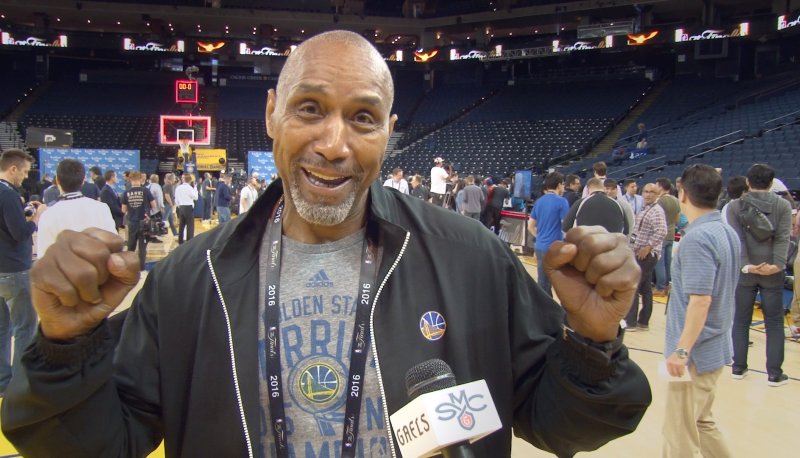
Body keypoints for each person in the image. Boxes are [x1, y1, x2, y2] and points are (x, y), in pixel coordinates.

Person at [1, 31, 650, 457]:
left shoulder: (471, 260)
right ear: (271, 115)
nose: (335, 143)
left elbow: (567, 420)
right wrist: (62, 352)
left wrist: (592, 342)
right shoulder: (189, 281)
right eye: (310, 108)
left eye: (362, 117)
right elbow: (95, 443)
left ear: (390, 134)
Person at [662, 164, 739, 458]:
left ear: (683, 194)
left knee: (678, 435)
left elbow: (700, 300)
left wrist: (681, 351)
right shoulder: (726, 231)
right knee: (702, 423)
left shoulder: (697, 239)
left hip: (694, 354)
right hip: (715, 347)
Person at [726, 164, 792, 386]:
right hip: (772, 271)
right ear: (771, 183)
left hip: (745, 271)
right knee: (774, 322)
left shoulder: (735, 206)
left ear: (748, 181)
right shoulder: (782, 205)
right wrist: (777, 264)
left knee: (741, 320)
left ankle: (738, 367)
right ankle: (774, 373)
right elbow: (784, 237)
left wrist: (747, 265)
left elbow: (738, 239)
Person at [0, 149, 45, 397]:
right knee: (24, 327)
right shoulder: (7, 194)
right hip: (14, 269)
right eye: (24, 172)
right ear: (13, 168)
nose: (25, 177)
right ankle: (20, 384)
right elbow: (19, 233)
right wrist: (35, 217)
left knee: (2, 329)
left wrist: (24, 212)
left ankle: (3, 382)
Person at [36, 159, 117, 258]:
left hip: (63, 271)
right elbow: (113, 246)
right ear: (83, 180)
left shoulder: (48, 215)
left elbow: (44, 258)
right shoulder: (101, 209)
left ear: (57, 180)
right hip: (97, 270)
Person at [625, 183, 667, 332]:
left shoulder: (656, 210)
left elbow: (662, 231)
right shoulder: (646, 209)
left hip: (646, 255)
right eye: (646, 191)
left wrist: (648, 247)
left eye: (652, 192)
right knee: (645, 287)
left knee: (633, 286)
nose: (648, 194)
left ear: (657, 195)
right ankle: (643, 322)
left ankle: (630, 322)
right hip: (639, 253)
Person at [529, 172, 569, 297]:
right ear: (558, 185)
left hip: (540, 246)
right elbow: (566, 226)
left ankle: (543, 310)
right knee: (559, 282)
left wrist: (539, 237)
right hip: (554, 247)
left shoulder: (539, 201)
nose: (564, 187)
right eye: (563, 184)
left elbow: (530, 226)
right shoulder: (562, 202)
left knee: (543, 281)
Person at [562, 177, 627, 235]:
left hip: (587, 244)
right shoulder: (617, 204)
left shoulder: (580, 203)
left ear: (587, 189)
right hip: (611, 245)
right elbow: (626, 230)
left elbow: (565, 227)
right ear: (603, 188)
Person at [121, 171, 156, 269]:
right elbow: (154, 205)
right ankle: (141, 268)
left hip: (132, 222)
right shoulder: (145, 191)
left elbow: (123, 210)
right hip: (144, 222)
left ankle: (129, 267)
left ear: (130, 179)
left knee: (131, 246)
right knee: (142, 247)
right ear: (140, 179)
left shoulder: (126, 192)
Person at [654, 178, 680, 297]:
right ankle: (667, 286)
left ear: (660, 187)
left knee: (659, 262)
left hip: (662, 233)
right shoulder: (675, 199)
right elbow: (677, 218)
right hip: (671, 232)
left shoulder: (660, 201)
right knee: (668, 262)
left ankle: (660, 287)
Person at [174, 172, 198, 244]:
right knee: (190, 226)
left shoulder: (178, 188)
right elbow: (195, 197)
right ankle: (189, 242)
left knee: (181, 225)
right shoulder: (190, 188)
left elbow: (176, 199)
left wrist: (179, 206)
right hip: (188, 207)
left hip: (181, 207)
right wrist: (195, 189)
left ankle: (180, 241)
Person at [161, 173, 179, 238]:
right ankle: (161, 232)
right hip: (167, 204)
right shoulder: (168, 185)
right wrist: (171, 203)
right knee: (164, 219)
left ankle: (175, 233)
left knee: (171, 220)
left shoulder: (168, 185)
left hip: (168, 204)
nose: (175, 179)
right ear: (171, 178)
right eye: (174, 178)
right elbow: (167, 195)